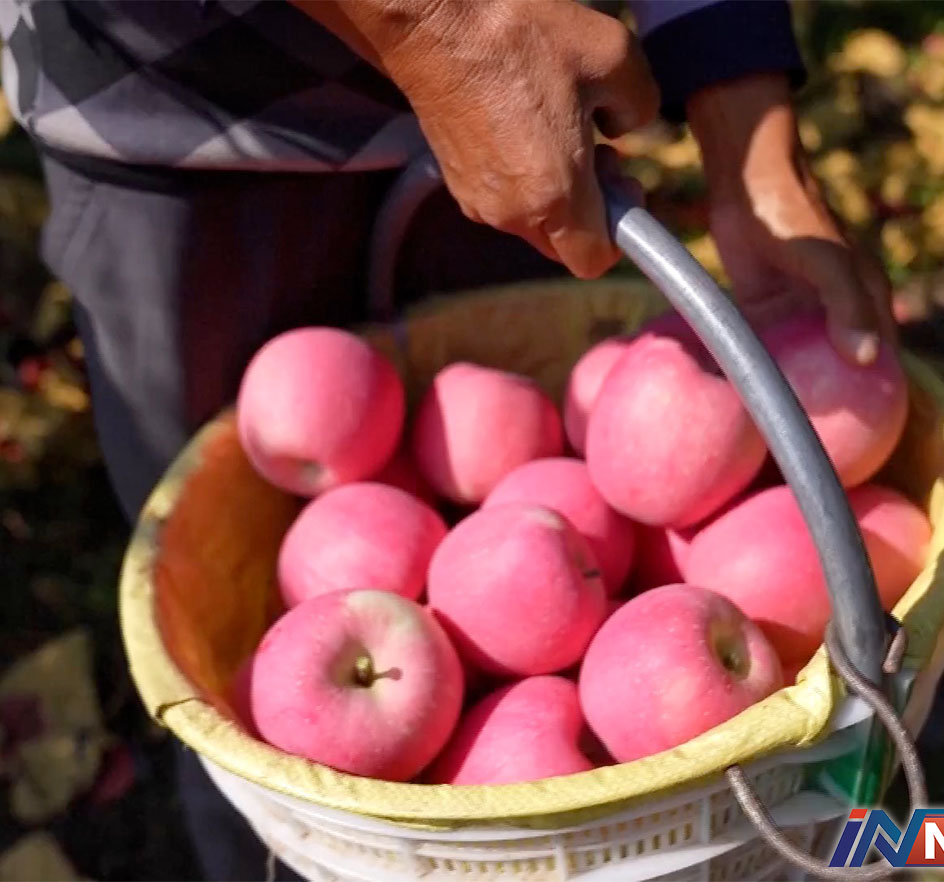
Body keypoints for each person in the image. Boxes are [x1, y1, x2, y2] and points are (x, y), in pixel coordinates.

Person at [1, 1, 895, 878]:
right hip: (176, 122)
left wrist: (747, 136)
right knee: (242, 737)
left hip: (536, 120)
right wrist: (433, 24)